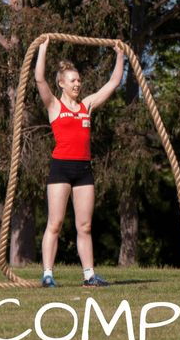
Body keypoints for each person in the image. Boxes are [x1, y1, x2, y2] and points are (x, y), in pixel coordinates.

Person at [34, 38, 124, 287]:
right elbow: (40, 79)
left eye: (79, 80)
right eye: (73, 80)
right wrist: (43, 48)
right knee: (55, 223)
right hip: (61, 168)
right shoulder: (54, 105)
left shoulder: (87, 106)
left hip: (83, 170)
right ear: (61, 83)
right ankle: (48, 274)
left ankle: (89, 275)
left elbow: (113, 83)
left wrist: (119, 55)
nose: (78, 83)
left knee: (84, 225)